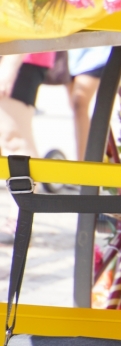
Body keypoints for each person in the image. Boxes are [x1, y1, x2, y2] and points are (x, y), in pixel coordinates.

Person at [0, 52, 55, 243]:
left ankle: (20, 220)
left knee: (14, 138)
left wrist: (10, 65)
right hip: (14, 53)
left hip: (20, 54)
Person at [67, 47, 112, 161]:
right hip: (70, 50)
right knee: (76, 108)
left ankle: (84, 163)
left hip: (97, 50)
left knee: (79, 102)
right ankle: (95, 155)